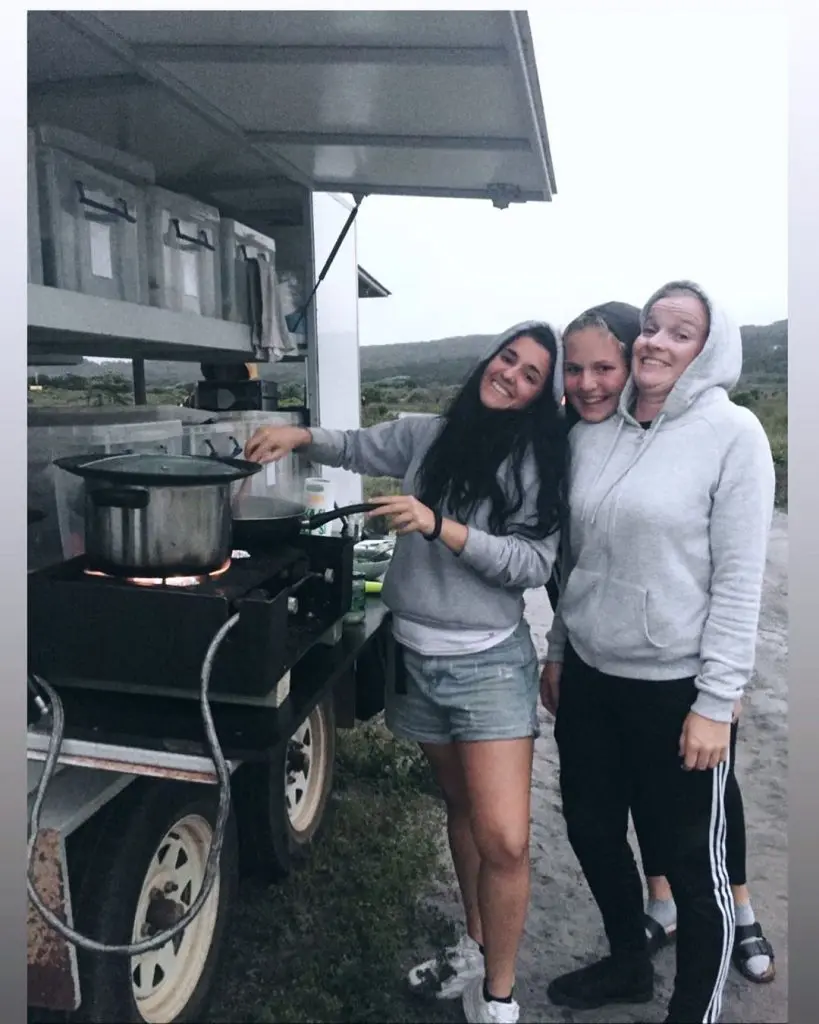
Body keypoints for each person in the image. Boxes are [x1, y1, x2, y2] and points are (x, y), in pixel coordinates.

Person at [245, 322, 568, 1024]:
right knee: (459, 811)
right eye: (507, 358)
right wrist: (298, 437)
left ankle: (500, 997)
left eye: (531, 374)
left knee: (505, 836)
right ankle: (474, 945)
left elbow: (533, 564)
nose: (510, 374)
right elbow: (360, 445)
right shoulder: (429, 433)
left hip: (486, 662)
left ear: (542, 394)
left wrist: (437, 525)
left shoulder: (537, 458)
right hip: (416, 658)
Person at [540, 282, 775, 1024]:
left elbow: (739, 581)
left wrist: (714, 703)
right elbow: (571, 559)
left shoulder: (731, 435)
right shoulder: (591, 431)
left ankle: (693, 1012)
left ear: (708, 349)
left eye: (681, 332)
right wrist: (556, 646)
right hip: (588, 677)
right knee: (590, 830)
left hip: (674, 690)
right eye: (650, 327)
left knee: (694, 867)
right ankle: (627, 965)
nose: (656, 342)